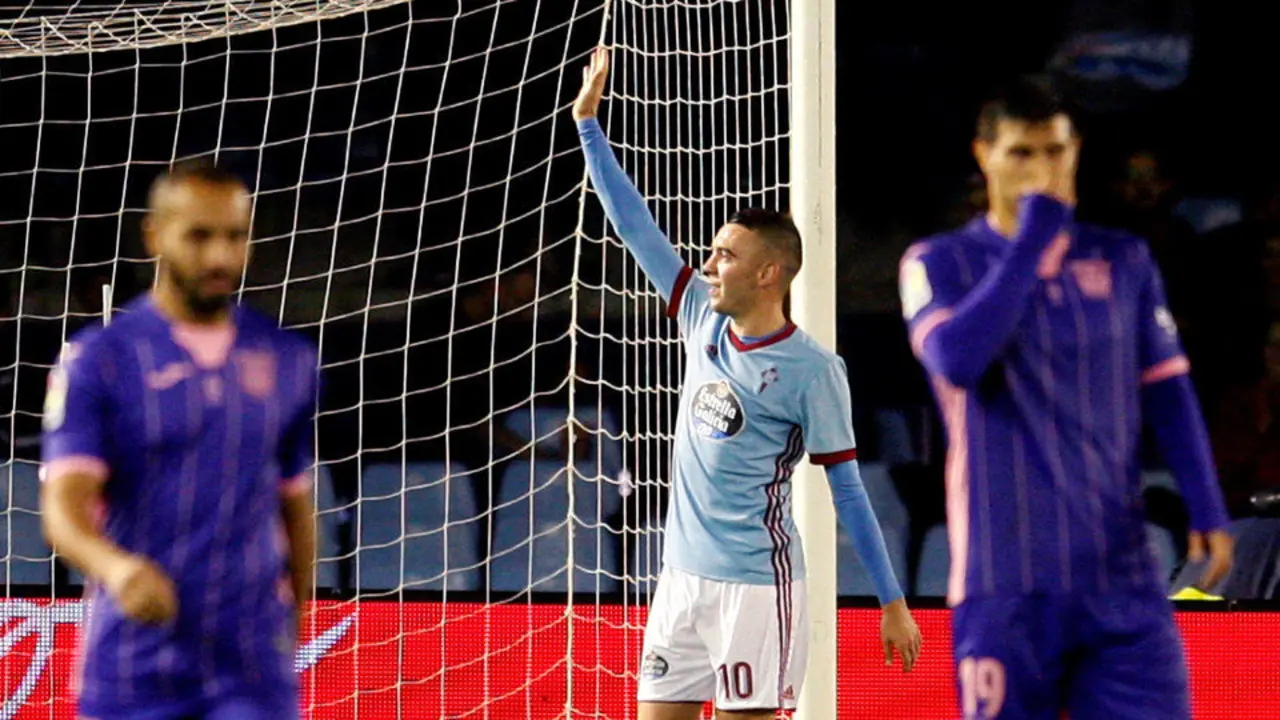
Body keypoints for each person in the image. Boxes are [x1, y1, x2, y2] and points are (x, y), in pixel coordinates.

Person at [573, 47, 921, 719]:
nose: (708, 264)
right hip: (680, 580)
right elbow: (633, 226)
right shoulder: (700, 316)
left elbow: (846, 490)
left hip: (757, 592)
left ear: (769, 274)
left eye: (725, 255)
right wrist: (588, 124)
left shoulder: (813, 370)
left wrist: (892, 603)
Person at [898, 75, 1233, 719]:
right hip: (1004, 578)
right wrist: (1032, 240)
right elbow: (957, 361)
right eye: (1022, 153)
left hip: (1123, 578)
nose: (1042, 170)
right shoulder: (940, 263)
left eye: (1056, 151)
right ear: (983, 155)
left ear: (1076, 150)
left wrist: (1207, 506)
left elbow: (1170, 392)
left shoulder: (1124, 258)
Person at [40, 159, 317, 720]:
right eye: (199, 236)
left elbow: (294, 499)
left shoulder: (288, 358)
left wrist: (298, 611)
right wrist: (116, 568)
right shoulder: (102, 359)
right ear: (154, 235)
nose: (219, 256)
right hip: (136, 661)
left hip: (251, 665)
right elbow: (63, 509)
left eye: (235, 237)